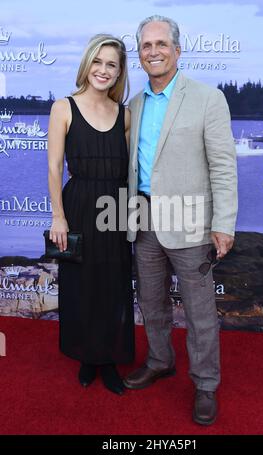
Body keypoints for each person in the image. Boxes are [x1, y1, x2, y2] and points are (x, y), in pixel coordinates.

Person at [124, 16, 238, 425]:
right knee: (151, 302)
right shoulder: (134, 104)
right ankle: (159, 360)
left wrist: (223, 223)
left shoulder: (209, 98)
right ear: (139, 53)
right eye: (145, 46)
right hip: (145, 220)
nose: (153, 51)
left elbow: (223, 166)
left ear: (177, 49)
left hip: (191, 223)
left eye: (161, 43)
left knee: (200, 311)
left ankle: (206, 384)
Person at [47, 34, 134, 395]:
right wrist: (58, 217)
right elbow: (54, 169)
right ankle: (87, 356)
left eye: (111, 64)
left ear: (119, 72)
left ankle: (108, 358)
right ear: (87, 64)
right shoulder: (63, 107)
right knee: (82, 284)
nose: (103, 70)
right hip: (79, 204)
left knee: (113, 284)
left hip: (114, 208)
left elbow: (130, 171)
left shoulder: (125, 115)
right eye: (97, 62)